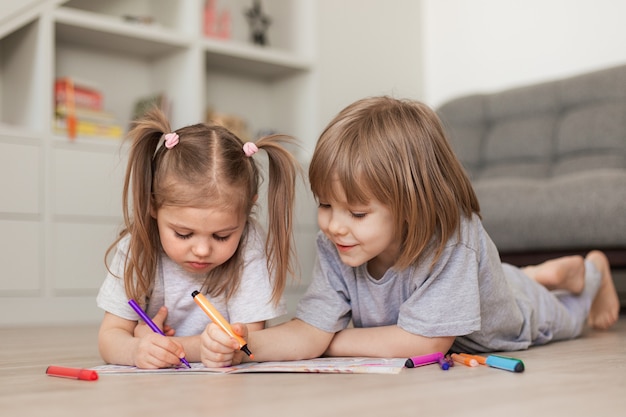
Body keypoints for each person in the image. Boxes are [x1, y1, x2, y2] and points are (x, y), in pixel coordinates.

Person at [200, 96, 620, 367]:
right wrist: (246, 347)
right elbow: (310, 330)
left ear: (411, 206)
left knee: (567, 316)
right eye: (325, 205)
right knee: (503, 279)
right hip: (481, 282)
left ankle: (590, 274)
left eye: (358, 213)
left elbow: (425, 344)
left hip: (510, 315)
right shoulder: (339, 243)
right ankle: (542, 272)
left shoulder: (452, 242)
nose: (333, 224)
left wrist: (334, 341)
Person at [97, 107, 301, 368]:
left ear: (247, 213)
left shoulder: (248, 243)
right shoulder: (136, 248)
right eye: (183, 234)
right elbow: (109, 338)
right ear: (153, 206)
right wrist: (138, 349)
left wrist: (174, 348)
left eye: (222, 236)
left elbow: (248, 341)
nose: (203, 250)